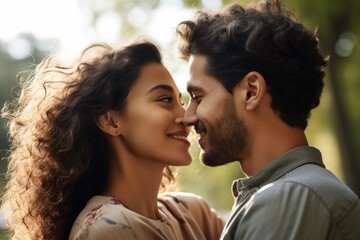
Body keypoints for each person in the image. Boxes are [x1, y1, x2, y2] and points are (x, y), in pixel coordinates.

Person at [1, 40, 225, 240]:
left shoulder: (191, 211)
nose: (186, 116)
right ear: (111, 121)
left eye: (181, 100)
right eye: (165, 99)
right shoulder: (108, 228)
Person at [176, 0, 360, 239]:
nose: (188, 116)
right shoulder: (295, 194)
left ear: (251, 91)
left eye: (198, 97)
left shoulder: (288, 198)